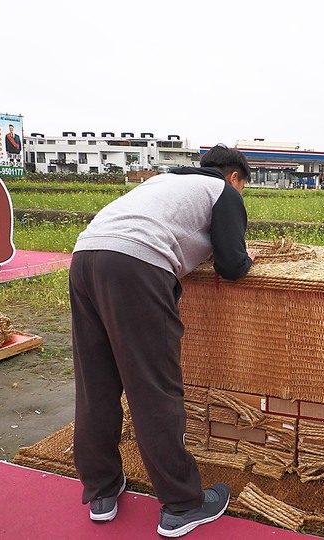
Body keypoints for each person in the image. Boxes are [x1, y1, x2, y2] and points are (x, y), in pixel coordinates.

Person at [69, 144, 258, 537]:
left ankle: (101, 490)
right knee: (154, 388)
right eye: (243, 187)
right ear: (235, 177)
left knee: (96, 384)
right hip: (135, 267)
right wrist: (248, 256)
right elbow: (233, 264)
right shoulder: (223, 191)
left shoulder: (166, 181)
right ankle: (183, 503)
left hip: (86, 257)